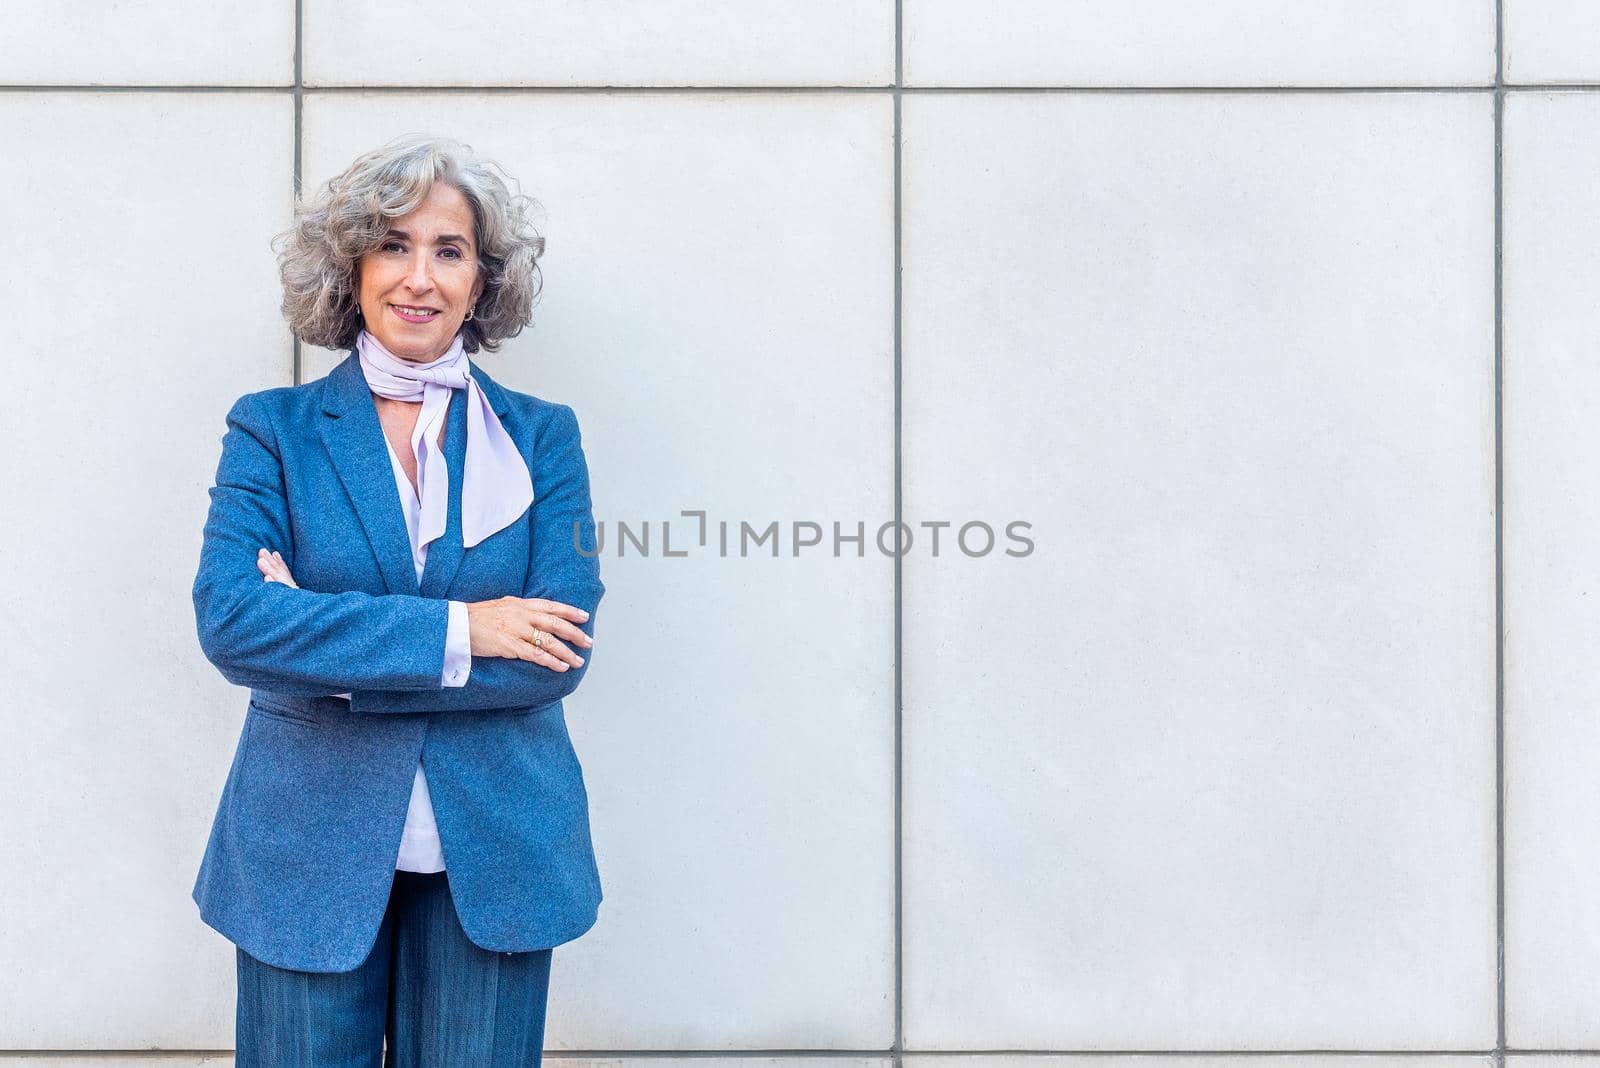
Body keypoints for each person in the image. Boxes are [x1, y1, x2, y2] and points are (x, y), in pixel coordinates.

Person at [189, 133, 606, 1066]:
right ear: (352, 266)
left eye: (448, 250)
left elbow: (561, 650)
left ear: (482, 278)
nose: (420, 277)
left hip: (498, 846)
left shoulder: (544, 439)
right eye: (393, 245)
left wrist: (324, 648)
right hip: (306, 845)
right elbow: (233, 622)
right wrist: (469, 629)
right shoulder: (273, 430)